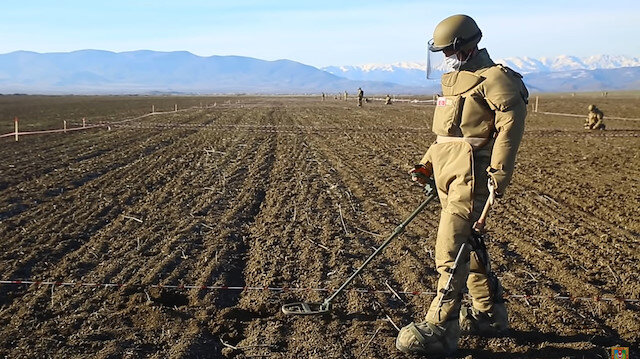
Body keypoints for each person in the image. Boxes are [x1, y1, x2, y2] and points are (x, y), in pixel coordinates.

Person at [397, 14, 528, 356]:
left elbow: (509, 131)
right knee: (468, 242)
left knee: (450, 247)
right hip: (447, 172)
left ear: (466, 47)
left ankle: (441, 327)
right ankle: (488, 315)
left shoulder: (496, 78)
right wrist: (426, 163)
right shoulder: (454, 80)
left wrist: (499, 175)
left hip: (471, 175)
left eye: (447, 51)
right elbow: (446, 134)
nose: (443, 58)